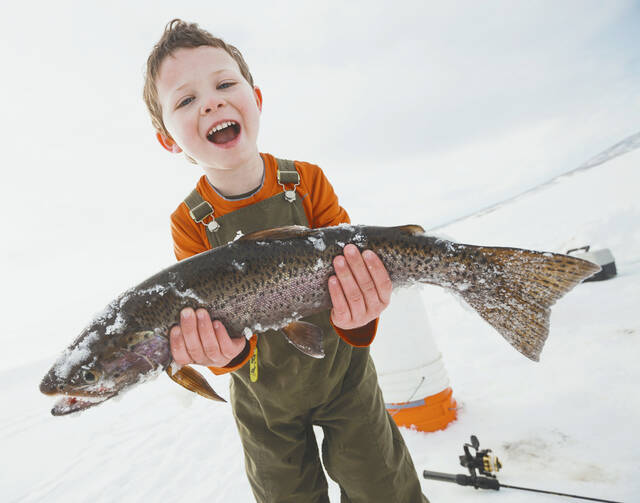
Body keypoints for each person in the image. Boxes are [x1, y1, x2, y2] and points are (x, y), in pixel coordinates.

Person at [143, 19, 428, 503]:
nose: (211, 101)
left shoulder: (307, 181)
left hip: (345, 379)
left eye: (224, 84)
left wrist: (360, 318)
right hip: (263, 401)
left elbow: (355, 283)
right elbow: (214, 334)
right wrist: (222, 353)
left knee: (384, 488)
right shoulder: (191, 222)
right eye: (186, 100)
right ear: (168, 139)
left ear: (256, 97)